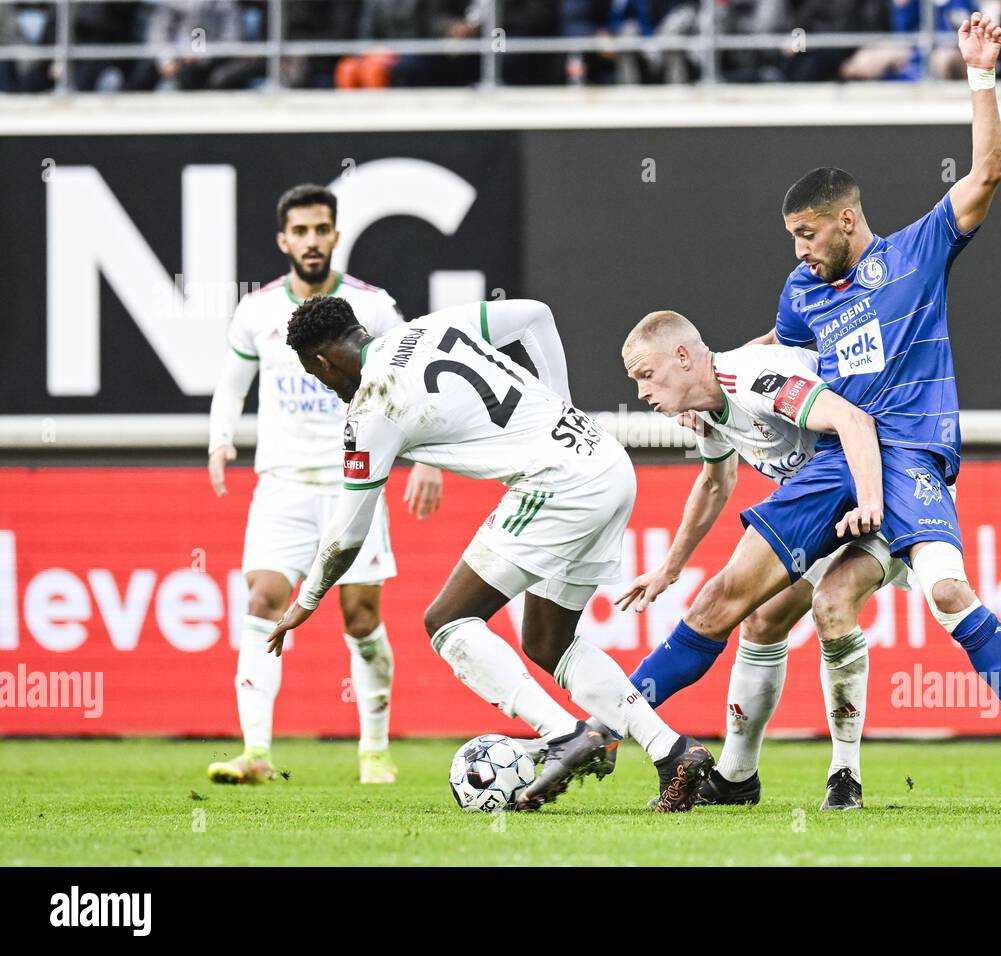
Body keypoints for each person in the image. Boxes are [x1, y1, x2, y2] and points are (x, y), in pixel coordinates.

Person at [623, 13, 1001, 803]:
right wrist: (716, 376)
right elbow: (780, 344)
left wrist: (980, 77)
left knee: (943, 591)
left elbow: (988, 175)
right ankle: (641, 734)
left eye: (807, 233)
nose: (798, 249)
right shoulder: (802, 290)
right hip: (833, 460)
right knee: (739, 606)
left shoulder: (915, 252)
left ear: (847, 220)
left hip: (907, 456)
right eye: (791, 236)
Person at [265, 297, 716, 811]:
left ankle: (565, 737)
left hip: (559, 486)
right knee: (549, 641)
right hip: (604, 460)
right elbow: (537, 315)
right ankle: (672, 751)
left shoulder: (371, 406)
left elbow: (347, 532)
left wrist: (309, 597)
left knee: (447, 621)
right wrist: (560, 408)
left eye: (317, 376)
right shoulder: (428, 327)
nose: (327, 388)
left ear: (322, 363)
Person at [616, 309, 908, 810]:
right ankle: (736, 776)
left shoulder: (754, 378)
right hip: (824, 508)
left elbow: (849, 419)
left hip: (883, 485)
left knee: (831, 604)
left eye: (647, 375)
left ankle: (845, 775)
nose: (641, 392)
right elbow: (715, 482)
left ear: (683, 356)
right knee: (760, 620)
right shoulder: (707, 406)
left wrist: (871, 503)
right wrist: (668, 569)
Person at [206, 183, 443, 786]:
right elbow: (232, 385)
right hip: (281, 482)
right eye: (301, 232)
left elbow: (416, 378)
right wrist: (220, 439)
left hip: (355, 480)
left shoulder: (373, 306)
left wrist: (429, 459)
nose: (312, 241)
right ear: (284, 240)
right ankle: (255, 751)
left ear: (336, 235)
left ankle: (373, 749)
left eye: (322, 230)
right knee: (262, 600)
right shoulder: (256, 310)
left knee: (360, 617)